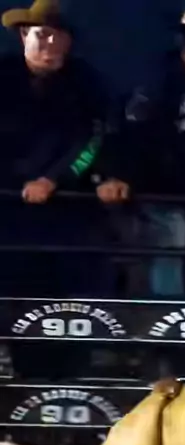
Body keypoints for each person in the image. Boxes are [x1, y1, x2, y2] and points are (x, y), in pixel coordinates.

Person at [96, 9, 185, 299]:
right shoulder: (160, 81)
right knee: (168, 244)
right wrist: (121, 174)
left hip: (181, 189)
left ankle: (174, 312)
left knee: (181, 250)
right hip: (154, 185)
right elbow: (134, 131)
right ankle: (164, 315)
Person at [0, 0, 109, 297]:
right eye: (44, 34)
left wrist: (53, 179)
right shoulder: (4, 75)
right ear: (24, 35)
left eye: (60, 36)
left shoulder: (85, 81)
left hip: (67, 207)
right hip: (7, 206)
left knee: (70, 288)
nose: (52, 43)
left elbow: (92, 141)